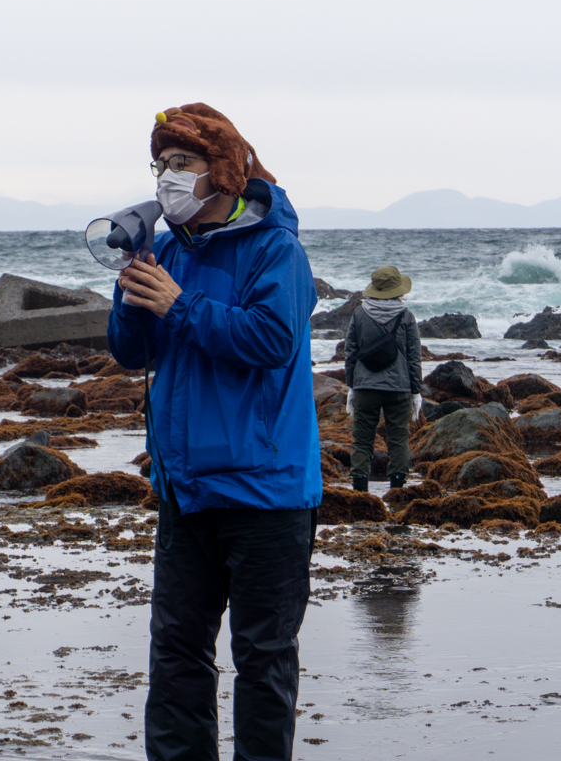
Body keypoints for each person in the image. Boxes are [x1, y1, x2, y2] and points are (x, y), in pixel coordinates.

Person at [109, 105, 319, 761]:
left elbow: (272, 339)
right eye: (160, 166)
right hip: (185, 489)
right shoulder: (168, 248)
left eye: (182, 165)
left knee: (262, 659)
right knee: (175, 654)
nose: (166, 179)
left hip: (267, 493)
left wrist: (179, 304)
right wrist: (131, 291)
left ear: (221, 174)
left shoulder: (276, 250)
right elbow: (129, 351)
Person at [343, 265, 422, 492]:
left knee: (362, 439)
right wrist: (416, 391)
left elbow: (350, 353)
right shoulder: (406, 316)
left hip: (365, 386)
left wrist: (352, 386)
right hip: (399, 387)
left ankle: (360, 491)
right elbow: (413, 357)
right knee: (398, 439)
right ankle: (396, 491)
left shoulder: (359, 314)